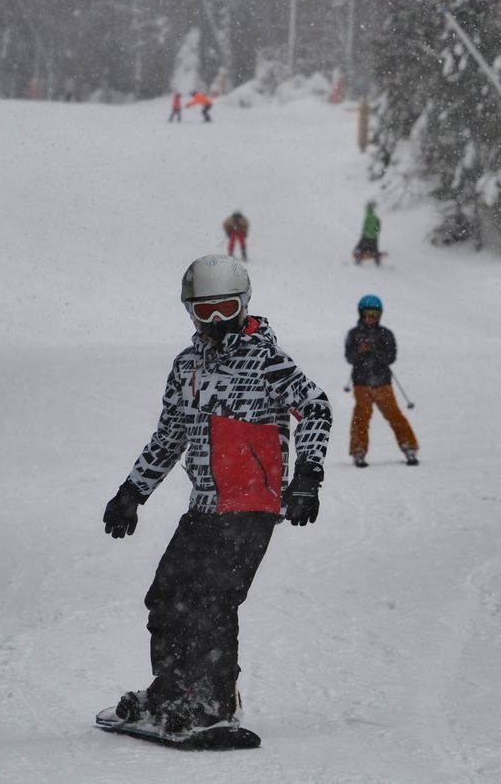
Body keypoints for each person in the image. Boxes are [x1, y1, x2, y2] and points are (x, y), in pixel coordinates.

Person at [101, 254, 332, 735]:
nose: (217, 321)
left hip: (252, 505)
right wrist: (131, 492)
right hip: (204, 506)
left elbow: (315, 407)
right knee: (166, 597)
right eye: (205, 311)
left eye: (225, 307)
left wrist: (307, 475)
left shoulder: (267, 359)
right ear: (190, 311)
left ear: (244, 303)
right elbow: (168, 437)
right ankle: (171, 690)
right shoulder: (186, 367)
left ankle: (214, 702)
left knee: (213, 599)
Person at [345, 294, 418, 467]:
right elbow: (350, 357)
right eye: (368, 314)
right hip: (361, 383)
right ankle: (358, 450)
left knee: (394, 414)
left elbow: (391, 357)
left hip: (382, 382)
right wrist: (361, 351)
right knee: (361, 416)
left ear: (380, 315)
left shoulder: (385, 334)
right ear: (361, 314)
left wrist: (375, 350)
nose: (371, 318)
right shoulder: (354, 334)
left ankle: (409, 446)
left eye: (375, 314)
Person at [354, 200, 383, 265]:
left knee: (362, 247)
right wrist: (376, 233)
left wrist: (364, 233)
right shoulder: (375, 217)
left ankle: (359, 258)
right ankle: (377, 260)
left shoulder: (367, 216)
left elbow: (365, 226)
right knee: (374, 248)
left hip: (366, 235)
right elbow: (378, 227)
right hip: (374, 237)